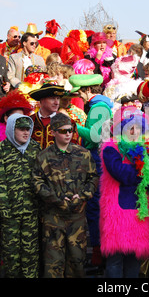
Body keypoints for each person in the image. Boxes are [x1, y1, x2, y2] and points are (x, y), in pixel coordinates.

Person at [33, 113, 98, 278]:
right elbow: (37, 183)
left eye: (70, 130)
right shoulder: (43, 156)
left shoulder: (83, 154)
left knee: (77, 263)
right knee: (53, 265)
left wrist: (83, 196)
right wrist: (56, 199)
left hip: (77, 217)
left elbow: (93, 178)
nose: (68, 134)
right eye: (63, 131)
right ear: (54, 132)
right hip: (53, 217)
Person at [99, 106, 149, 278]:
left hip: (140, 212)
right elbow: (121, 173)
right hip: (117, 211)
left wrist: (146, 170)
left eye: (138, 128)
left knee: (134, 259)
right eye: (129, 127)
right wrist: (142, 171)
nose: (134, 131)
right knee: (115, 261)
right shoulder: (111, 149)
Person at [69, 73, 113, 268]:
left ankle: (98, 251)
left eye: (80, 92)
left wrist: (73, 127)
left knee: (95, 207)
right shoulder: (100, 106)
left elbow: (95, 136)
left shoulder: (98, 108)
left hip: (97, 159)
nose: (80, 97)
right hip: (97, 158)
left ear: (88, 91)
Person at [0, 114, 41, 278]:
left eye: (28, 129)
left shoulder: (35, 148)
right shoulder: (2, 149)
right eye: (21, 129)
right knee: (11, 254)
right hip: (10, 212)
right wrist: (4, 209)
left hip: (31, 210)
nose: (26, 133)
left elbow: (41, 178)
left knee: (31, 252)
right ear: (12, 129)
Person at [28, 80, 65, 149]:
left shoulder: (67, 122)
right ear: (42, 100)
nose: (57, 103)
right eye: (52, 98)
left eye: (58, 98)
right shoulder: (29, 121)